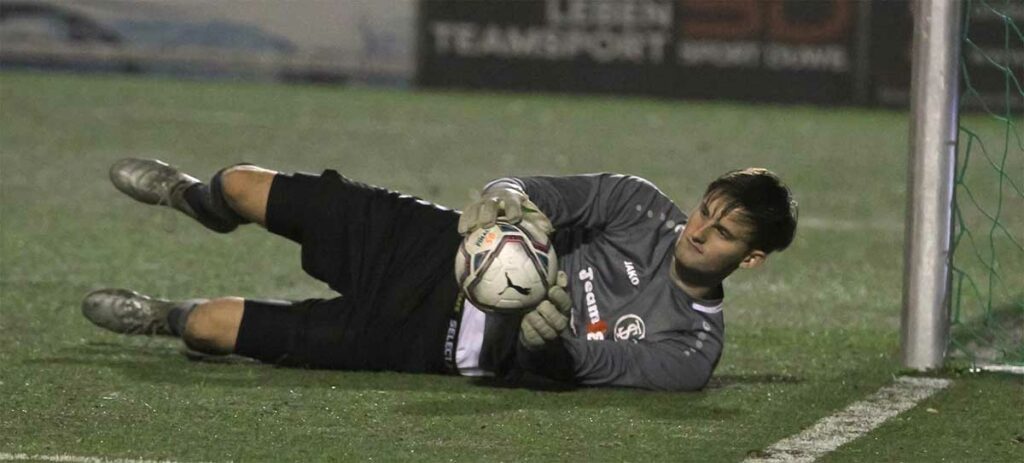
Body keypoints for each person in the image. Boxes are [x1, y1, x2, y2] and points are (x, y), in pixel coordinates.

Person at [82, 159, 797, 391]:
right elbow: (539, 191)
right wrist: (508, 198)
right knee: (240, 183)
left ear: (752, 257)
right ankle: (197, 200)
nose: (697, 230)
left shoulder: (691, 351)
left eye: (722, 232)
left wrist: (549, 337)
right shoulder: (642, 206)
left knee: (209, 328)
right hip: (426, 246)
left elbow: (587, 365)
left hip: (428, 339)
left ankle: (162, 315)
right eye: (706, 210)